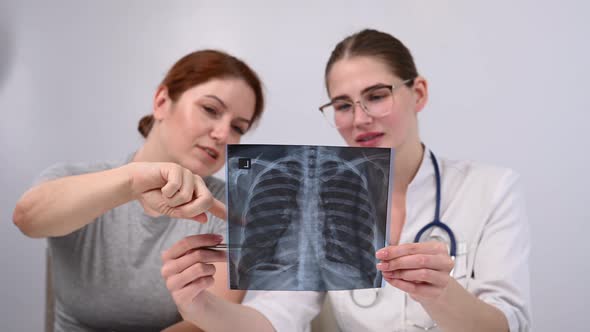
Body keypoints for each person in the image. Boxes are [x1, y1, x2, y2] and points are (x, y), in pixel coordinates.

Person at [160, 29, 531, 332]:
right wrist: (201, 307)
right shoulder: (313, 201)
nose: (360, 118)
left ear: (418, 93)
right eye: (342, 105)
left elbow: (508, 324)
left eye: (376, 96)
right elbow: (275, 317)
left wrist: (440, 294)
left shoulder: (491, 189)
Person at [12, 49, 265, 332]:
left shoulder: (232, 208)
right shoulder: (78, 179)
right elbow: (26, 218)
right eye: (210, 110)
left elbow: (202, 326)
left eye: (237, 127)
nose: (222, 134)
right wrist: (133, 183)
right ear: (161, 102)